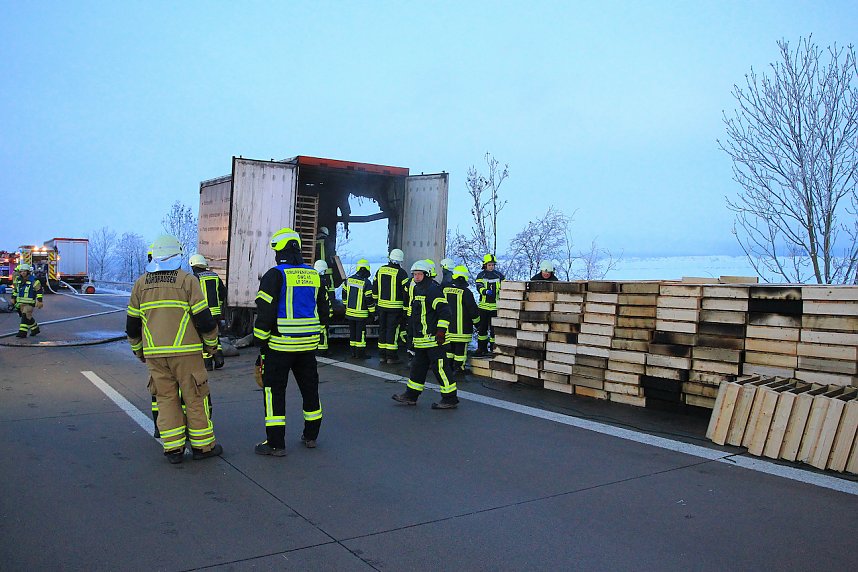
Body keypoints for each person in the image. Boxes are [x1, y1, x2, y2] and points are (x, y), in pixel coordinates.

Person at [126, 235, 223, 464]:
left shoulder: (140, 284)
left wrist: (138, 350)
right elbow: (204, 319)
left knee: (165, 399)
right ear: (177, 255)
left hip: (156, 355)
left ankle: (173, 449)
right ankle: (202, 447)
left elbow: (132, 325)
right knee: (195, 397)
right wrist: (212, 345)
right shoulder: (187, 281)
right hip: (187, 352)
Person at [253, 227, 330, 456]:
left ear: (280, 250)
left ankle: (276, 444)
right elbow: (324, 310)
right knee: (310, 390)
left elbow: (265, 312)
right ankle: (311, 436)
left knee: (274, 393)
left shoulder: (274, 275)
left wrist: (261, 342)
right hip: (308, 347)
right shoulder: (314, 274)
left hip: (279, 346)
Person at [392, 260, 459, 409]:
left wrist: (441, 332)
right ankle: (411, 395)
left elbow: (445, 312)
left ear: (427, 275)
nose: (416, 277)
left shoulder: (432, 290)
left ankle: (450, 398)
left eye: (419, 274)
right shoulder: (417, 289)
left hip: (435, 340)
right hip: (421, 340)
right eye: (414, 274)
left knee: (440, 369)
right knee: (417, 368)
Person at [372, 248, 409, 365]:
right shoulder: (402, 273)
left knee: (382, 330)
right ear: (400, 260)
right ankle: (391, 357)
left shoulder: (380, 270)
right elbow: (406, 292)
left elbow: (374, 287)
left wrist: (376, 301)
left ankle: (382, 355)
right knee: (392, 331)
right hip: (395, 308)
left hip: (382, 307)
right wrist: (406, 308)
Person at [189, 254, 226, 371]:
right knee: (214, 335)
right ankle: (219, 358)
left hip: (203, 313)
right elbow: (223, 292)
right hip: (216, 313)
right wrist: (219, 304)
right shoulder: (215, 276)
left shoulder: (195, 278)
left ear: (193, 266)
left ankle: (208, 364)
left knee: (203, 337)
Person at [443, 265, 480, 379]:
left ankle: (448, 367)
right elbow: (473, 310)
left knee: (449, 350)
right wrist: (478, 324)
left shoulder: (444, 289)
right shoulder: (466, 292)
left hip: (447, 329)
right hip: (462, 330)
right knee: (460, 352)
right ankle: (459, 369)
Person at [342, 258, 375, 359]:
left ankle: (353, 352)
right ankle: (360, 354)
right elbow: (369, 299)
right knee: (360, 334)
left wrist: (346, 306)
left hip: (350, 314)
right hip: (361, 315)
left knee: (352, 334)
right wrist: (373, 312)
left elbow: (344, 294)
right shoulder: (366, 282)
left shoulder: (349, 280)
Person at [475, 254, 505, 356]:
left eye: (492, 265)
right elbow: (479, 286)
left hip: (495, 307)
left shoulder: (499, 275)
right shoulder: (481, 275)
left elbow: (505, 286)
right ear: (485, 265)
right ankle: (481, 348)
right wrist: (485, 291)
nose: (491, 267)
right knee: (482, 329)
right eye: (489, 265)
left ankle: (493, 348)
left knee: (494, 330)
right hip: (483, 307)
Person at [11, 263, 43, 338]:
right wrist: (13, 298)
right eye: (21, 271)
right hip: (20, 303)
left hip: (30, 303)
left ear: (28, 272)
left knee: (25, 316)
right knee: (28, 317)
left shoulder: (34, 280)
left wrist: (39, 301)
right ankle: (35, 329)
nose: (23, 273)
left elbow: (39, 291)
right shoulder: (18, 280)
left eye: (25, 271)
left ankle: (22, 332)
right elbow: (16, 290)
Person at [314, 260, 335, 355]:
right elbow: (326, 299)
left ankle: (316, 348)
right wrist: (330, 311)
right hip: (322, 312)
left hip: (314, 312)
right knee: (323, 331)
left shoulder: (312, 280)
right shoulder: (322, 282)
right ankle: (323, 350)